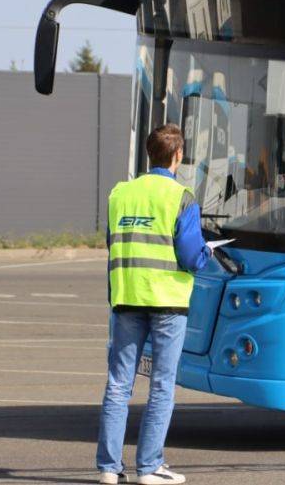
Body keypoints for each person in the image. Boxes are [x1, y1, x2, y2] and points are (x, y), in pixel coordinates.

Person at [96, 124, 210, 485]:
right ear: (178, 156)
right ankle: (149, 467)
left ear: (149, 154)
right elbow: (191, 256)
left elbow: (113, 242)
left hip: (127, 297)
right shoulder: (181, 196)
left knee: (118, 384)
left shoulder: (120, 194)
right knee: (161, 385)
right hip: (167, 301)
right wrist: (207, 254)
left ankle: (108, 469)